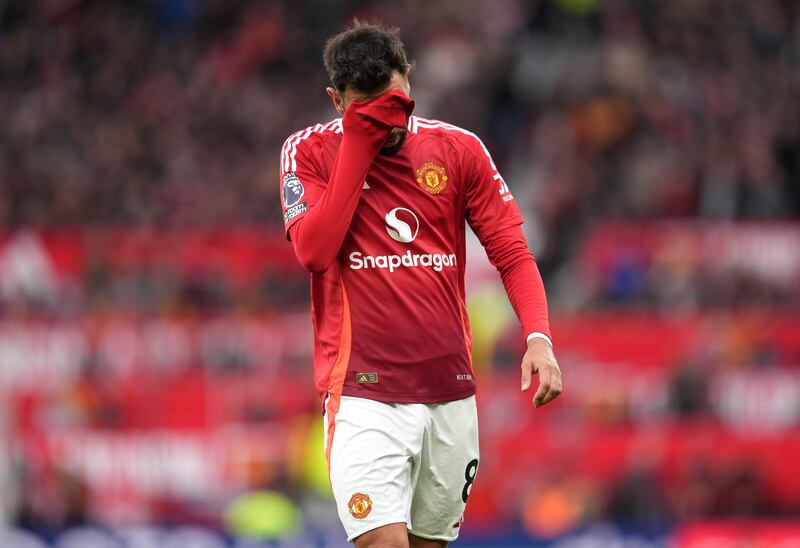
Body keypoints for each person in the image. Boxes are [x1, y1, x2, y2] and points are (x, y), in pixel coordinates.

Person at [279, 21, 562, 548]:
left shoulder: (459, 149)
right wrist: (358, 142)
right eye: (366, 109)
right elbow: (314, 253)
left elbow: (512, 252)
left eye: (393, 102)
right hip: (364, 394)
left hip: (449, 393)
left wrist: (538, 337)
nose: (386, 122)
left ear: (409, 79)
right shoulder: (310, 152)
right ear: (336, 100)